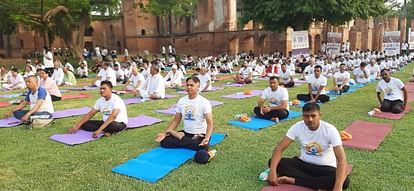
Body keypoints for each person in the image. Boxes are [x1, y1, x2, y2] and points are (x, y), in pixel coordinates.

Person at [267, 102, 350, 191]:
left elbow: (342, 160)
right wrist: (272, 172)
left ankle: (293, 180)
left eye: (313, 116)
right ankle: (317, 183)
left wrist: (338, 186)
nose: (310, 119)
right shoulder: (298, 127)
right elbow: (279, 148)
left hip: (324, 168)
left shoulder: (330, 130)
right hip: (303, 164)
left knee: (344, 181)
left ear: (320, 115)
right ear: (303, 116)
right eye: (306, 116)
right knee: (273, 162)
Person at [155, 76, 213, 151]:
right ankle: (184, 139)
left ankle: (180, 137)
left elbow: (210, 123)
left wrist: (207, 138)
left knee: (202, 147)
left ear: (198, 87)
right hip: (187, 133)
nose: (189, 87)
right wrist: (164, 133)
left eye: (192, 85)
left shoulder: (204, 102)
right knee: (164, 141)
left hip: (200, 134)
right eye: (187, 85)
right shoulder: (182, 101)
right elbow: (176, 120)